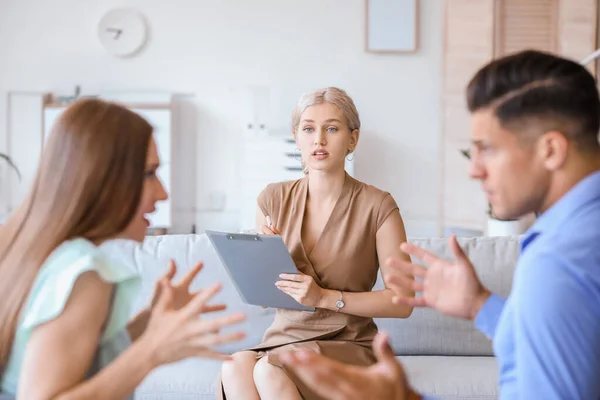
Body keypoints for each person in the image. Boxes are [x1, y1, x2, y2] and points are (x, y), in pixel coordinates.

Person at [279, 49, 600, 399]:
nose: (473, 169)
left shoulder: (556, 261)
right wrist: (480, 305)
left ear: (551, 150)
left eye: (487, 148)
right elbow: (548, 344)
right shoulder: (578, 236)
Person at [0, 98, 247, 400]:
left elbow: (84, 358)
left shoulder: (27, 246)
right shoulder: (84, 272)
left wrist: (149, 323)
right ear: (102, 178)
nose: (163, 192)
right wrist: (149, 353)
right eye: (148, 174)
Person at [219, 87, 415, 399]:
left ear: (352, 139)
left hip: (348, 342)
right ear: (296, 136)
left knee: (268, 371)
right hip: (284, 337)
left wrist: (325, 297)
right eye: (308, 129)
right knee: (234, 366)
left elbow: (402, 302)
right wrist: (267, 262)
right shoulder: (272, 199)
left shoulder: (379, 206)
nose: (318, 140)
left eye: (332, 129)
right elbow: (267, 299)